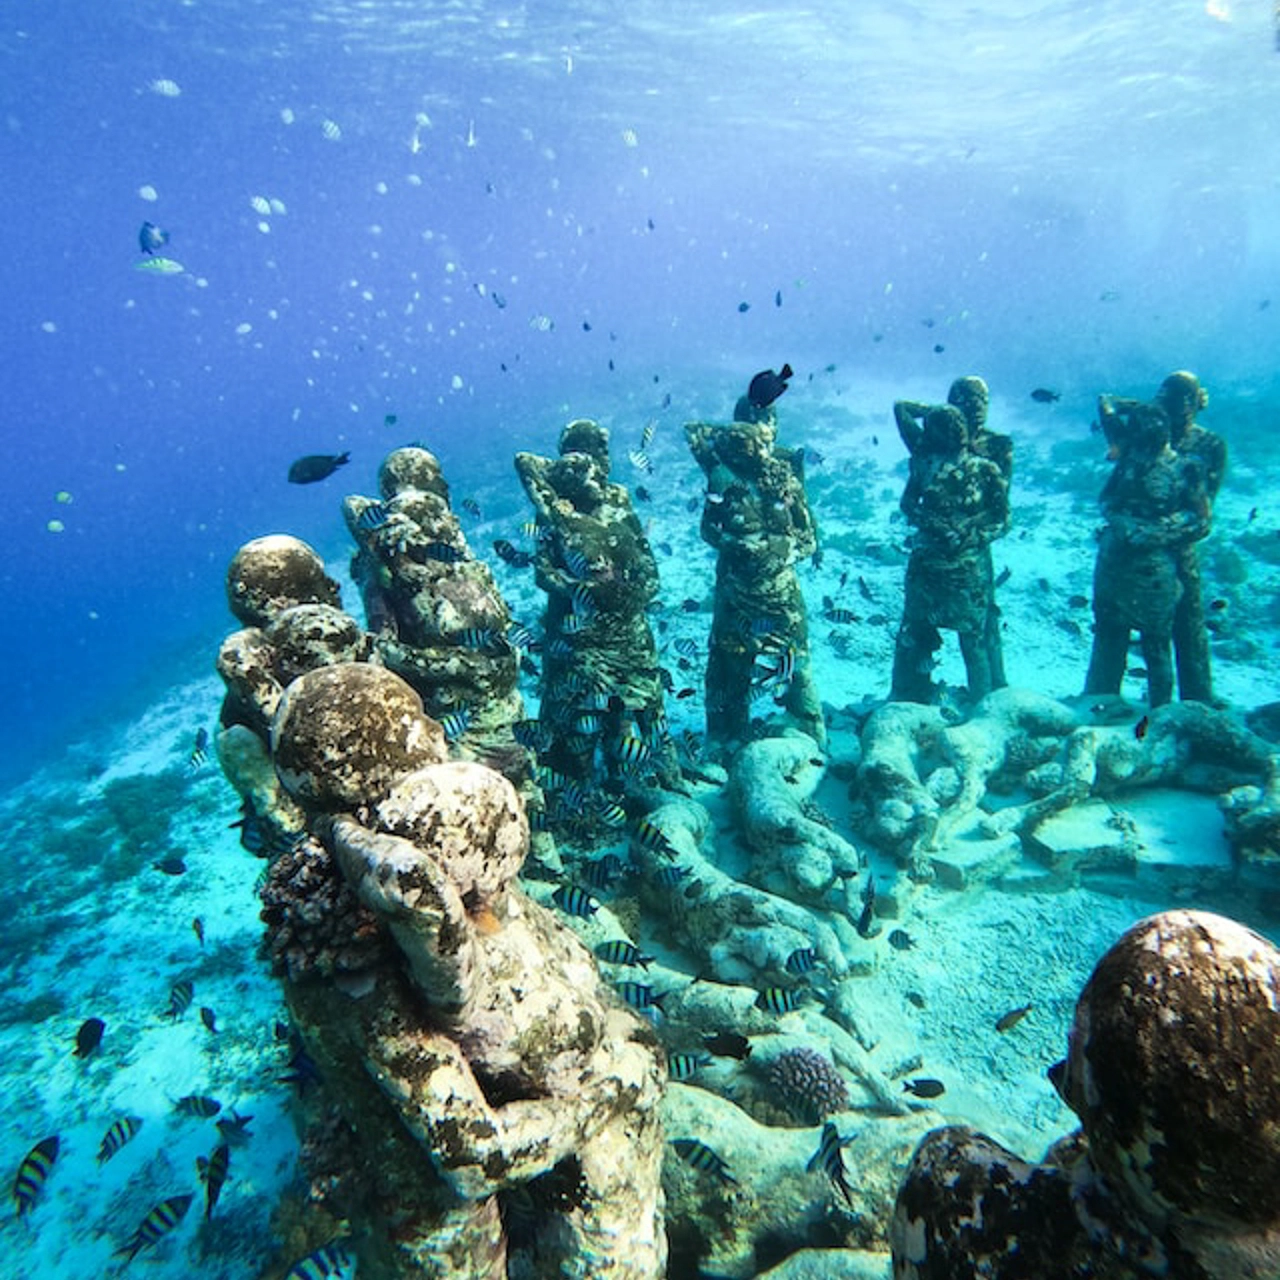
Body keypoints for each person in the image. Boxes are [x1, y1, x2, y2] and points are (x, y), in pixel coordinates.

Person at [1083, 398, 1210, 709]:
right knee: (1109, 634)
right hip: (1114, 565)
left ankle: (1160, 712)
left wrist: (1155, 532)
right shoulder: (1128, 462)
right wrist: (1121, 522)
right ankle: (1100, 702)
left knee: (1156, 643)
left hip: (1154, 571)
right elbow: (1107, 500)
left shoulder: (1186, 469)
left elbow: (1201, 519)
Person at [890, 401, 1011, 705]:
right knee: (915, 634)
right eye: (945, 426)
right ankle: (907, 697)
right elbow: (907, 504)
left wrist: (971, 536)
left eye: (957, 425)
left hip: (967, 568)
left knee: (974, 640)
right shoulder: (923, 463)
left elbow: (1003, 518)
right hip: (927, 563)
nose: (953, 432)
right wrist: (931, 525)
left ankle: (984, 703)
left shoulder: (986, 468)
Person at [1154, 371, 1225, 702]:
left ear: (1197, 401)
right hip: (1141, 551)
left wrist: (1166, 531)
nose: (1176, 406)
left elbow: (1203, 512)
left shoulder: (1209, 445)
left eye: (1185, 397)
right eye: (1169, 398)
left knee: (1189, 627)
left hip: (1179, 550)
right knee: (1133, 630)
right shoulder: (1149, 437)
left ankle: (1198, 702)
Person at [947, 375, 1013, 689]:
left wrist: (972, 530)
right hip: (938, 547)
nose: (975, 408)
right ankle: (910, 692)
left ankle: (992, 689)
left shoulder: (997, 446)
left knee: (983, 624)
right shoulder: (934, 443)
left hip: (974, 547)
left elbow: (1001, 506)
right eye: (966, 400)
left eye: (981, 401)